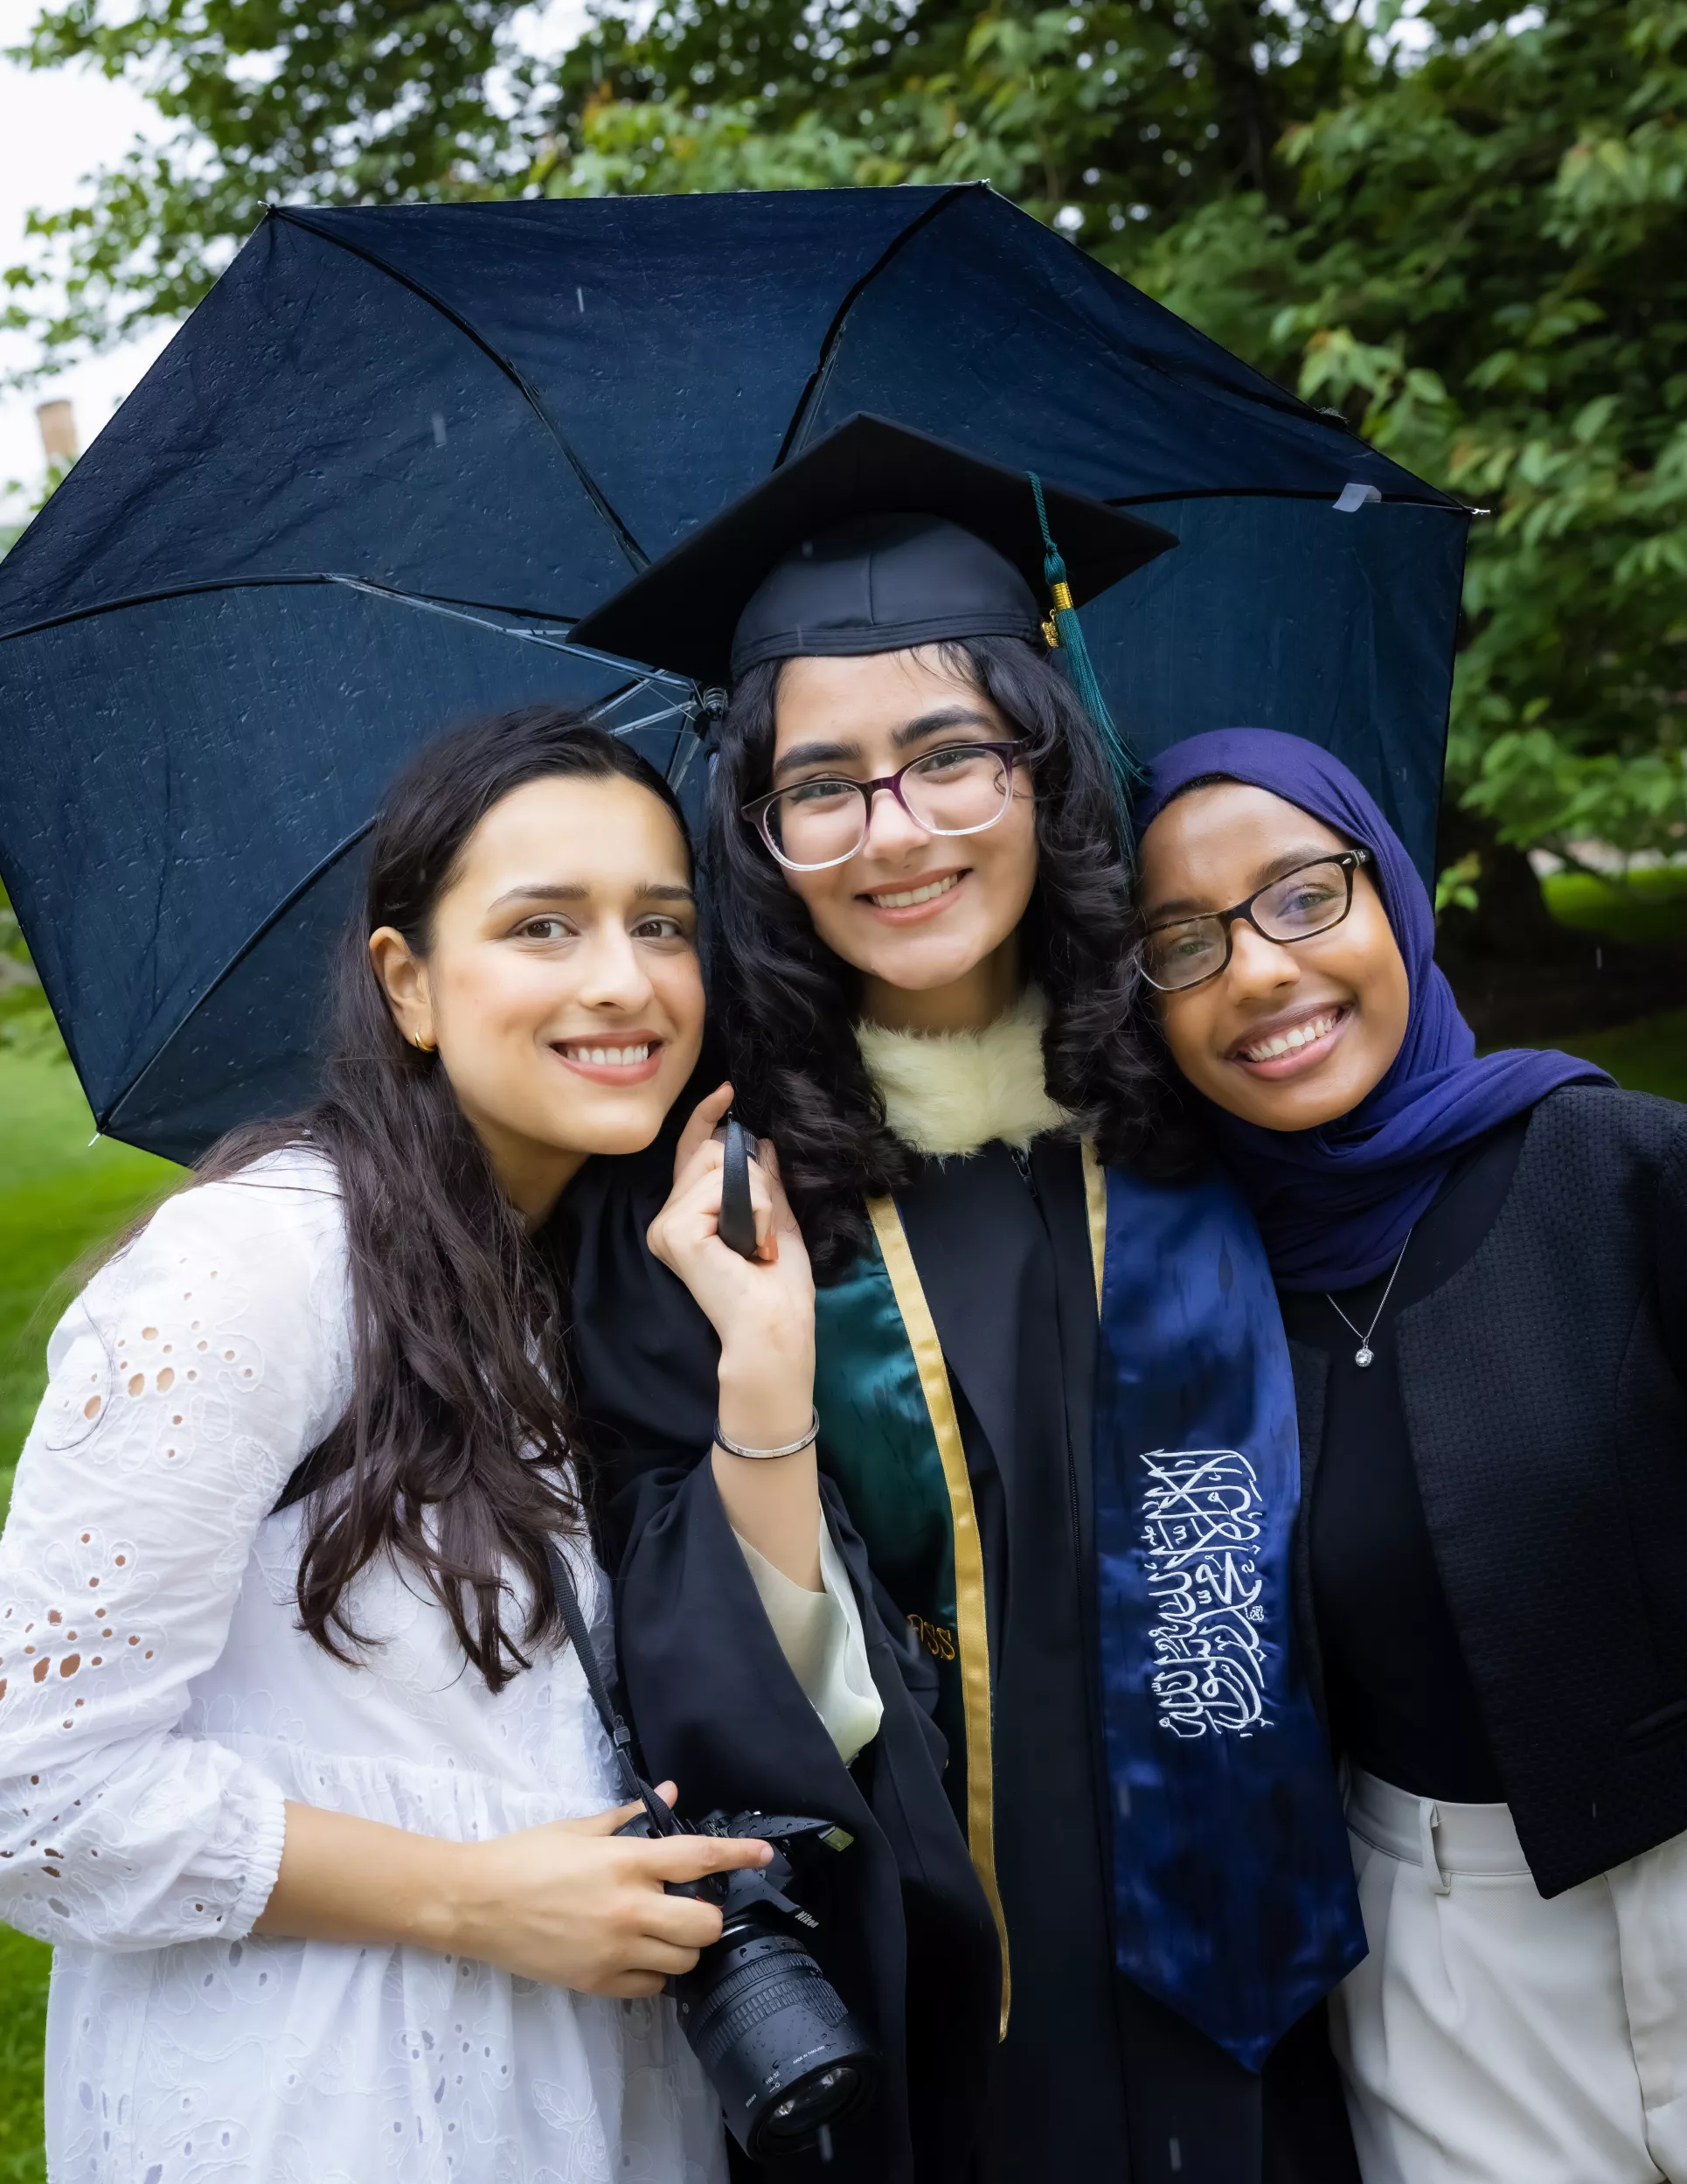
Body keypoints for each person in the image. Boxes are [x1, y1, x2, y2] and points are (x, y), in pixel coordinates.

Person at [563, 414, 1367, 2182]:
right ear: (755, 823)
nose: (895, 831)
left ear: (1044, 762)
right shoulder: (710, 1203)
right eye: (821, 784)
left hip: (1287, 1977)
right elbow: (662, 1661)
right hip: (938, 2018)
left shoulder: (1211, 1107)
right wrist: (762, 1391)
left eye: (951, 757)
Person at [0, 706, 874, 2184]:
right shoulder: (258, 1269)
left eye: (662, 923)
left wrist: (763, 1359)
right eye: (544, 924)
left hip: (566, 2085)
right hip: (320, 2092)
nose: (624, 979)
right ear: (406, 981)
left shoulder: (569, 1283)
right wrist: (473, 1894)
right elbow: (39, 1795)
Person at [1135, 725, 1687, 2184]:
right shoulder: (1186, 1309)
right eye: (1179, 941)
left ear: (1392, 892)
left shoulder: (1623, 1173)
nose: (1256, 971)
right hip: (1442, 1967)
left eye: (1302, 895)